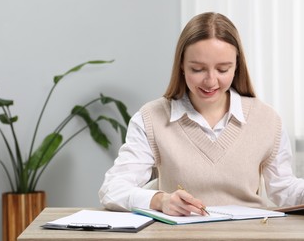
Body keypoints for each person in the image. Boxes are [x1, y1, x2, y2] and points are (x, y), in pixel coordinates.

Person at [98, 12, 304, 216]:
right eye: (197, 69)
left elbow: (284, 189)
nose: (211, 81)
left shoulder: (266, 119)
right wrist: (160, 200)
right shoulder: (151, 118)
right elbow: (112, 189)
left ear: (237, 66)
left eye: (223, 69)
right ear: (181, 65)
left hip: (249, 234)